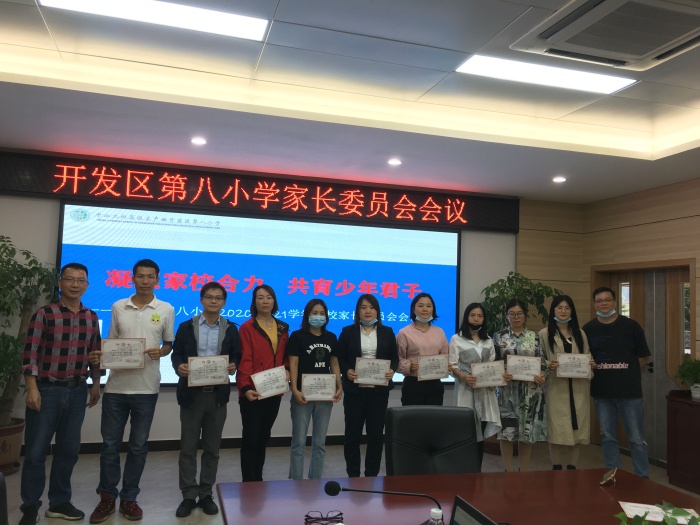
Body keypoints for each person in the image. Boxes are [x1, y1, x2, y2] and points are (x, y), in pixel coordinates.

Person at [88, 259, 175, 523]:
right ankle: (106, 497)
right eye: (140, 276)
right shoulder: (118, 306)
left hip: (146, 388)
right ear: (132, 278)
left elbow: (168, 344)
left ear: (157, 279)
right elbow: (112, 344)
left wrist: (161, 352)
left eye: (150, 277)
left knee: (138, 447)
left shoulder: (166, 308)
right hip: (116, 388)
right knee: (110, 446)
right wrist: (101, 359)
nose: (145, 281)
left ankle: (129, 498)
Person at [18, 263, 101, 525]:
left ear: (87, 285)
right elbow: (30, 353)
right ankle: (30, 507)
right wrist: (32, 388)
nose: (75, 285)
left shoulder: (91, 317)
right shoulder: (44, 314)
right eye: (70, 279)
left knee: (68, 451)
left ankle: (60, 502)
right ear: (60, 283)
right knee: (35, 452)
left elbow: (95, 354)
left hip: (77, 391)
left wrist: (96, 383)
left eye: (80, 280)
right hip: (46, 390)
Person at [170, 282, 241, 517]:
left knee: (212, 448)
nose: (213, 301)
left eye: (218, 298)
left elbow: (237, 355)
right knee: (188, 448)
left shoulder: (231, 328)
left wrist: (234, 365)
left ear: (224, 302)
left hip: (217, 396)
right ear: (201, 300)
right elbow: (176, 354)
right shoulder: (186, 326)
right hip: (192, 395)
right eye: (209, 297)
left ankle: (206, 493)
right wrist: (179, 366)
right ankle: (189, 495)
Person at [582, 286, 651, 478]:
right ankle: (612, 475)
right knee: (608, 437)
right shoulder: (587, 329)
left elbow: (644, 357)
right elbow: (583, 359)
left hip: (630, 393)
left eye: (607, 300)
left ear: (614, 302)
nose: (604, 303)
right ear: (594, 304)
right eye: (599, 301)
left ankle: (642, 477)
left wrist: (627, 371)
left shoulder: (631, 326)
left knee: (637, 438)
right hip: (602, 392)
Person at [336, 294, 398, 478]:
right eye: (363, 307)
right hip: (355, 393)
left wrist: (392, 370)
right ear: (358, 311)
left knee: (376, 436)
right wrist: (347, 371)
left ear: (377, 311)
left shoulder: (387, 332)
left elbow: (394, 358)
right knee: (352, 436)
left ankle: (371, 475)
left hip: (379, 393)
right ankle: (353, 475)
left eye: (371, 307)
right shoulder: (348, 332)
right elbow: (339, 357)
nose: (368, 311)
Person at [236, 284, 290, 482]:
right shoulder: (247, 327)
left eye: (268, 297)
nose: (265, 301)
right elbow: (245, 360)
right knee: (250, 439)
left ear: (274, 301)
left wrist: (287, 370)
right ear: (254, 302)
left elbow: (285, 357)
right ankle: (249, 482)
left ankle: (257, 480)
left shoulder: (283, 327)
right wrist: (245, 387)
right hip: (252, 392)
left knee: (263, 438)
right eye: (260, 297)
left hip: (274, 390)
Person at [287, 298, 342, 480]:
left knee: (320, 444)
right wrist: (294, 389)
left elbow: (334, 363)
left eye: (322, 313)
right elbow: (293, 365)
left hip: (324, 397)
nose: (318, 316)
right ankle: (295, 482)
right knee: (298, 443)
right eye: (314, 313)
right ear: (307, 315)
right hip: (302, 395)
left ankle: (315, 481)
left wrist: (339, 385)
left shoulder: (331, 337)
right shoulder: (297, 337)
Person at [539, 295, 593, 471]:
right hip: (556, 387)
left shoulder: (580, 333)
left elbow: (587, 356)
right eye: (559, 308)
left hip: (578, 388)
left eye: (567, 308)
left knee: (577, 429)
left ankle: (572, 467)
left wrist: (590, 364)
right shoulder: (544, 334)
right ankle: (556, 466)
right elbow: (539, 360)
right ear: (553, 310)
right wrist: (549, 364)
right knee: (556, 428)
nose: (563, 311)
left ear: (572, 311)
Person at [493, 298, 547, 472]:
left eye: (519, 314)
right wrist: (501, 373)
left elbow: (543, 364)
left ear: (525, 315)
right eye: (512, 314)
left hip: (530, 393)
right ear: (507, 316)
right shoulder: (499, 336)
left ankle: (523, 471)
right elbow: (493, 363)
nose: (516, 317)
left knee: (527, 433)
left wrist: (542, 375)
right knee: (506, 433)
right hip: (506, 393)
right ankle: (508, 471)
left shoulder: (535, 337)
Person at [448, 302, 501, 469]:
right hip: (465, 391)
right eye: (472, 315)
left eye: (480, 316)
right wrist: (463, 377)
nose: (476, 319)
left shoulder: (488, 340)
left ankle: (477, 471)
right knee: (465, 432)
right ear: (466, 317)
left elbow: (492, 366)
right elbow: (452, 365)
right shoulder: (457, 339)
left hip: (485, 393)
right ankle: (463, 471)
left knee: (481, 434)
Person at [396, 292, 449, 406]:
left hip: (435, 384)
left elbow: (446, 356)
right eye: (420, 306)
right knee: (412, 417)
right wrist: (409, 366)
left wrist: (446, 365)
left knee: (433, 416)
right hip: (413, 384)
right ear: (413, 309)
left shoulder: (440, 332)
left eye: (429, 306)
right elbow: (397, 359)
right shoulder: (404, 333)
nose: (425, 309)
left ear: (433, 310)